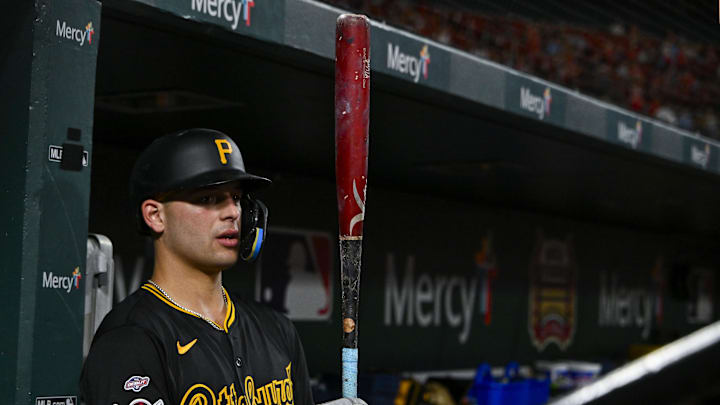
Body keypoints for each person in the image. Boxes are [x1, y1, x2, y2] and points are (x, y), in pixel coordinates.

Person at [80, 128, 314, 405]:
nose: (233, 213)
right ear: (155, 215)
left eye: (236, 198)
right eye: (208, 198)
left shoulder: (277, 329)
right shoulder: (131, 340)